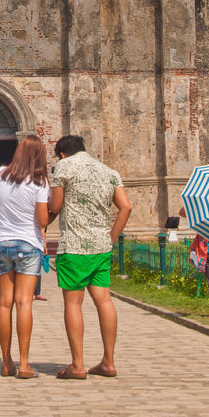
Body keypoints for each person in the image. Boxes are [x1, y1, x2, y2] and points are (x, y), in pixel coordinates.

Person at [48, 135, 132, 380]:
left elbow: (55, 205)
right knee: (104, 301)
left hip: (75, 246)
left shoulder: (64, 167)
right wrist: (112, 237)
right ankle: (108, 361)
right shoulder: (108, 171)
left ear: (62, 154)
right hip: (101, 246)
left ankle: (78, 364)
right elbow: (125, 207)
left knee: (73, 303)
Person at [0, 133, 51, 379]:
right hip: (28, 243)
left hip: (2, 243)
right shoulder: (39, 181)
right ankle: (24, 364)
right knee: (24, 302)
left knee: (5, 303)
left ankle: (7, 362)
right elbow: (43, 220)